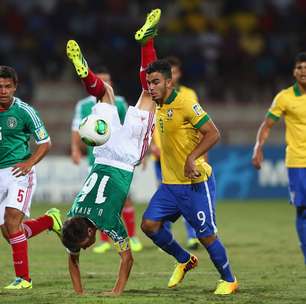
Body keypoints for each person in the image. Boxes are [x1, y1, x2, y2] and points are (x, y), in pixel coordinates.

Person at [136, 9, 238, 295]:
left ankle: (229, 279)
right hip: (170, 185)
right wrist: (148, 42)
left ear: (170, 82)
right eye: (149, 83)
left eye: (156, 83)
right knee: (149, 225)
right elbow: (144, 72)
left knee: (206, 235)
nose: (151, 88)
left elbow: (213, 133)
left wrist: (193, 157)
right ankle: (184, 259)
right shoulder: (157, 104)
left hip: (195, 183)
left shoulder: (184, 103)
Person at [63, 38, 155, 296]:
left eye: (87, 243)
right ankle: (88, 73)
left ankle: (148, 42)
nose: (88, 246)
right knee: (105, 93)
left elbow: (127, 259)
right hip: (102, 149)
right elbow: (73, 254)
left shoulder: (107, 221)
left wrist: (115, 293)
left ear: (91, 231)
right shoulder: (73, 215)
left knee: (149, 93)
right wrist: (80, 294)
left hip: (126, 157)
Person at [0, 65, 62, 289]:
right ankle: (49, 220)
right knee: (10, 233)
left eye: (8, 86)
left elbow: (45, 143)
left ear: (15, 87)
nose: (3, 91)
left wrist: (29, 163)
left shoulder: (25, 111)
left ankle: (24, 280)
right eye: (0, 87)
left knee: (12, 222)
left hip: (19, 172)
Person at [71, 65, 143, 254]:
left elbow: (129, 127)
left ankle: (133, 236)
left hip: (117, 157)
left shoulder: (119, 103)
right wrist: (75, 149)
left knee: (125, 199)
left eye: (107, 80)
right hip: (96, 160)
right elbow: (76, 128)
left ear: (111, 82)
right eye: (100, 80)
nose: (104, 83)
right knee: (97, 203)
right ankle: (104, 240)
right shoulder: (83, 105)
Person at [252, 52, 306, 264]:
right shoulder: (284, 97)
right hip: (298, 161)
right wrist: (258, 147)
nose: (304, 71)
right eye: (300, 67)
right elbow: (267, 124)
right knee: (302, 210)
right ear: (294, 71)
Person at [151, 56, 200, 250]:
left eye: (175, 71)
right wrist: (150, 147)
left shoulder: (188, 95)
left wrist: (197, 153)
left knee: (188, 198)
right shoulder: (154, 95)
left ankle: (192, 236)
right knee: (166, 196)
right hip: (160, 157)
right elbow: (152, 123)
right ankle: (166, 235)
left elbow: (196, 123)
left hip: (183, 155)